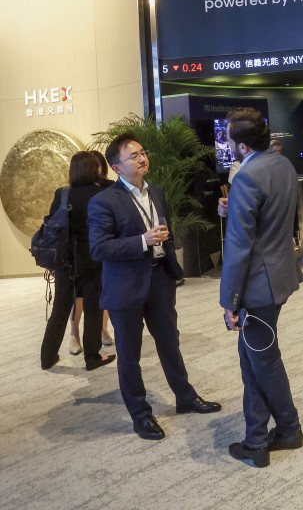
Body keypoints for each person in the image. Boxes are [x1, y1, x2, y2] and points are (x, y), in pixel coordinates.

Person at [88, 132, 221, 440]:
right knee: (129, 353)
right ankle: (140, 414)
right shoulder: (104, 201)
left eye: (142, 152)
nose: (142, 158)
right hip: (126, 287)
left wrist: (167, 255)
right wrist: (141, 241)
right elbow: (99, 249)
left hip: (160, 280)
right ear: (116, 167)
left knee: (169, 343)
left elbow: (167, 232)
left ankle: (185, 397)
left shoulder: (156, 192)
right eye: (133, 156)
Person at [218, 107, 303, 469]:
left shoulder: (247, 177)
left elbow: (239, 247)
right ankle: (270, 432)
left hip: (257, 286)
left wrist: (229, 301)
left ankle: (276, 433)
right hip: (279, 275)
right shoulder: (281, 164)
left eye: (228, 137)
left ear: (239, 145)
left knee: (261, 359)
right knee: (255, 356)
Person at [40, 152, 116, 371]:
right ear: (97, 169)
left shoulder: (62, 194)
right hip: (94, 260)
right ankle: (92, 358)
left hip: (65, 262)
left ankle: (47, 357)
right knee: (94, 308)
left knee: (60, 308)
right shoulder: (103, 192)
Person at [67, 151, 116, 354]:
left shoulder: (64, 194)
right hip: (96, 254)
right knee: (95, 299)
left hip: (72, 256)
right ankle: (91, 350)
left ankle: (77, 336)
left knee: (78, 297)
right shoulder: (104, 192)